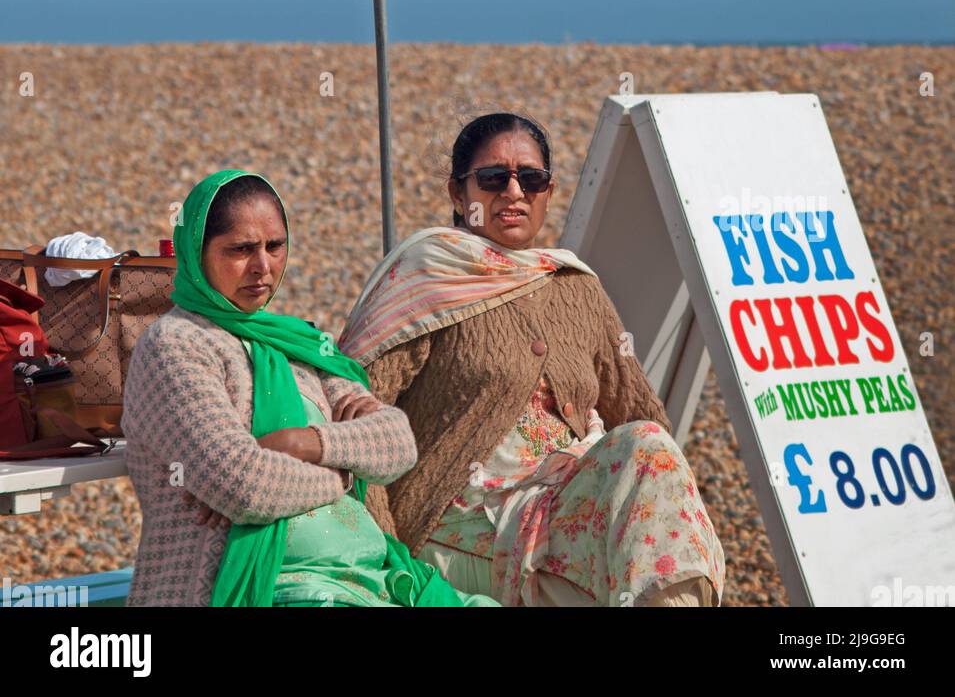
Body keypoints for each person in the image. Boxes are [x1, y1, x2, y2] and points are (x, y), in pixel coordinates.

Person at [339, 113, 726, 608]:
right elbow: (352, 425)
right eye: (494, 178)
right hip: (458, 526)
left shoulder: (575, 286)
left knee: (649, 450)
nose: (514, 192)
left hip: (564, 508)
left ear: (548, 191)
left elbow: (640, 415)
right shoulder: (422, 280)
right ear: (459, 195)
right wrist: (386, 553)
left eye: (532, 178)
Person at [122, 169, 498, 608]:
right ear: (196, 253)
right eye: (241, 250)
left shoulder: (298, 344)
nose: (263, 266)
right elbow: (244, 487)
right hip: (270, 587)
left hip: (368, 577)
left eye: (275, 246)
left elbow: (397, 443)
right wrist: (346, 469)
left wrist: (306, 442)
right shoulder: (175, 346)